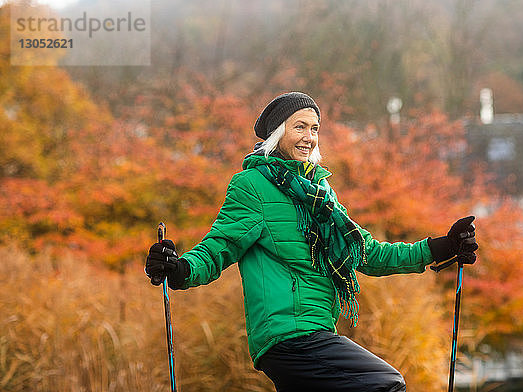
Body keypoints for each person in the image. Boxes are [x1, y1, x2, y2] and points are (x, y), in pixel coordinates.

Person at [145, 92, 478, 392]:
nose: (309, 137)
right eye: (300, 127)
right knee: (384, 383)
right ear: (278, 133)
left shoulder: (321, 193)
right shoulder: (252, 185)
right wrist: (179, 269)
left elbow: (368, 253)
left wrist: (443, 246)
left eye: (315, 128)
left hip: (319, 330)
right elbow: (219, 246)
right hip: (288, 337)